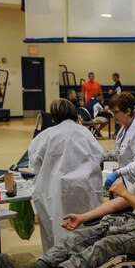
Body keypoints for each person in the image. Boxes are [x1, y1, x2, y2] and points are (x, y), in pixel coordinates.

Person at [0, 141, 135, 268]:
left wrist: (126, 193)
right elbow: (114, 204)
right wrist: (83, 217)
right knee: (77, 237)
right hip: (130, 225)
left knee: (105, 245)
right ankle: (36, 267)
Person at [27, 99, 104, 253]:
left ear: (54, 117)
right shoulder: (86, 133)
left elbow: (35, 163)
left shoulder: (46, 136)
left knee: (56, 230)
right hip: (85, 190)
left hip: (53, 191)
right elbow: (99, 156)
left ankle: (56, 267)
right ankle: (86, 265)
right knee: (85, 232)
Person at [105, 92, 135, 187]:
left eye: (116, 112)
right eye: (112, 112)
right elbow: (121, 152)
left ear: (128, 111)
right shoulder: (123, 129)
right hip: (129, 182)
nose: (113, 116)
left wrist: (119, 172)